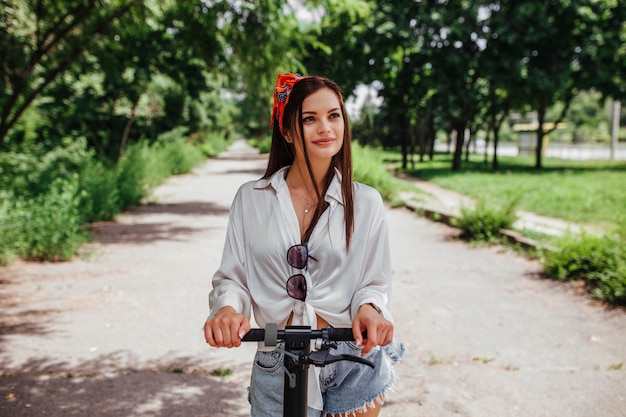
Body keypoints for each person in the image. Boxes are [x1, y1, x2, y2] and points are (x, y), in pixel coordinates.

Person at [203, 73, 404, 417]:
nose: (325, 127)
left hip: (350, 355)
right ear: (287, 131)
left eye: (334, 115)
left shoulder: (366, 202)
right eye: (309, 119)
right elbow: (233, 278)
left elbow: (373, 282)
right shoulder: (251, 199)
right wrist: (226, 310)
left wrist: (370, 308)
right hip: (276, 355)